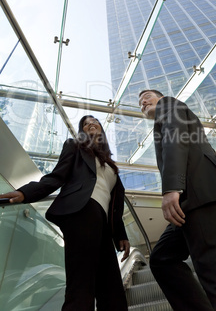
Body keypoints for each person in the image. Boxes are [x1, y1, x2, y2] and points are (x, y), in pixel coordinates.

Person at [138, 90, 216, 311]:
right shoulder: (168, 119)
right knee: (161, 259)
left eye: (147, 96)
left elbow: (176, 136)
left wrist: (172, 187)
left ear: (160, 97)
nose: (142, 102)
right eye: (139, 102)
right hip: (190, 199)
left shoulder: (169, 104)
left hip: (197, 194)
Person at [0, 115, 130, 311]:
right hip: (81, 212)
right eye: (85, 124)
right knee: (81, 283)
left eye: (94, 121)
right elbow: (56, 176)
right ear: (82, 131)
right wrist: (25, 192)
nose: (91, 123)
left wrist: (121, 235)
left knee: (112, 289)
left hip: (102, 224)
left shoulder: (111, 165)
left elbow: (115, 206)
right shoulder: (75, 146)